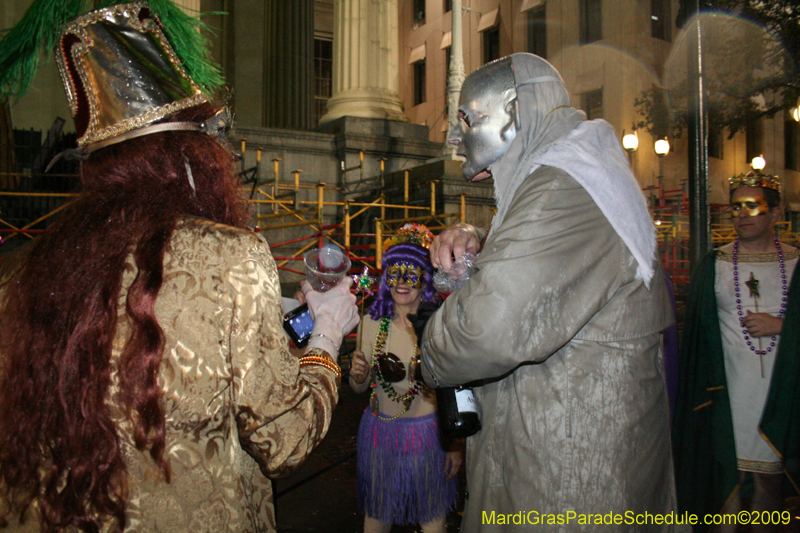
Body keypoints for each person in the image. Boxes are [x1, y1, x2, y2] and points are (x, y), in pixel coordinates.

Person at [0, 3, 359, 532]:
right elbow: (283, 440)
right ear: (189, 158)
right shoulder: (232, 257)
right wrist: (327, 334)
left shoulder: (16, 275)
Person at [419, 53, 680, 531]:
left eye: (464, 119)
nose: (454, 138)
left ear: (515, 111)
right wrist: (480, 244)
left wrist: (431, 348)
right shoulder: (572, 174)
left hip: (566, 488)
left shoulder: (564, 185)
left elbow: (481, 333)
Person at [672, 172, 800, 532]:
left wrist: (782, 326)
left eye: (752, 206)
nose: (741, 215)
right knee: (723, 482)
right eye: (735, 208)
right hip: (725, 396)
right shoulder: (714, 265)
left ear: (775, 214)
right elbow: (697, 338)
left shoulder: (797, 264)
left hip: (779, 396)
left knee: (769, 486)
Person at [348, 224, 462, 533]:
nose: (401, 282)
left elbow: (458, 388)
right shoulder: (371, 321)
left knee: (433, 523)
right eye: (394, 273)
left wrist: (455, 444)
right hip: (380, 433)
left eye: (411, 273)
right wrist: (357, 375)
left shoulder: (438, 323)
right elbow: (360, 388)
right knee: (376, 519)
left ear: (425, 278)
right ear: (385, 279)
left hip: (429, 438)